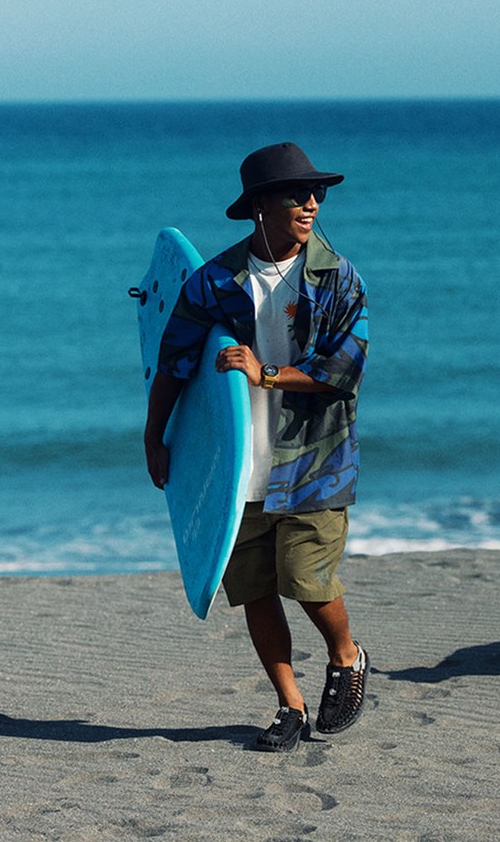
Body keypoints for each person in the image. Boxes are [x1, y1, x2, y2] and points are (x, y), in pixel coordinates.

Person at [143, 142, 369, 753]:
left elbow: (341, 371)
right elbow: (174, 362)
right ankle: (289, 705)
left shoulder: (339, 277)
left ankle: (347, 656)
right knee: (253, 588)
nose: (311, 203)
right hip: (237, 465)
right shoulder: (215, 281)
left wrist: (263, 372)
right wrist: (155, 433)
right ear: (260, 206)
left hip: (315, 460)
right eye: (297, 193)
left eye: (316, 194)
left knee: (306, 578)